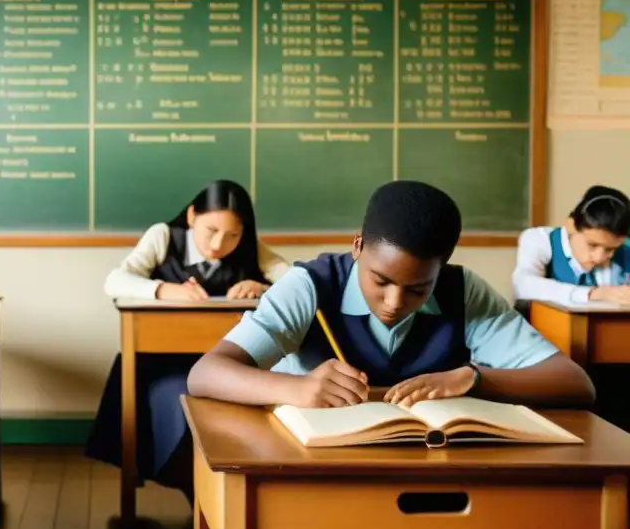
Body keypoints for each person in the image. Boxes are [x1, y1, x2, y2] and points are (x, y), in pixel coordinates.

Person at [187, 181, 595, 425]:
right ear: (358, 247)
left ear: (443, 267)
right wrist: (297, 388)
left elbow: (576, 384)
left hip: (431, 462)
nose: (395, 302)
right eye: (379, 280)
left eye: (419, 288)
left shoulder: (462, 290)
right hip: (309, 460)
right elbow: (206, 374)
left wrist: (473, 378)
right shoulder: (310, 284)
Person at [85, 179, 290, 500]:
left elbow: (294, 280)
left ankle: (215, 497)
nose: (219, 243)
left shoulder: (250, 247)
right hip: (161, 361)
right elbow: (115, 280)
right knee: (179, 401)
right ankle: (199, 491)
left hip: (221, 362)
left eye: (233, 235)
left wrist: (263, 288)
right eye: (210, 230)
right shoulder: (163, 237)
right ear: (192, 215)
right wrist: (162, 289)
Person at [513, 185, 630, 305]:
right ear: (571, 225)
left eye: (611, 249)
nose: (599, 257)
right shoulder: (540, 239)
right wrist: (592, 294)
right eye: (592, 245)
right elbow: (524, 285)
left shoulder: (626, 250)